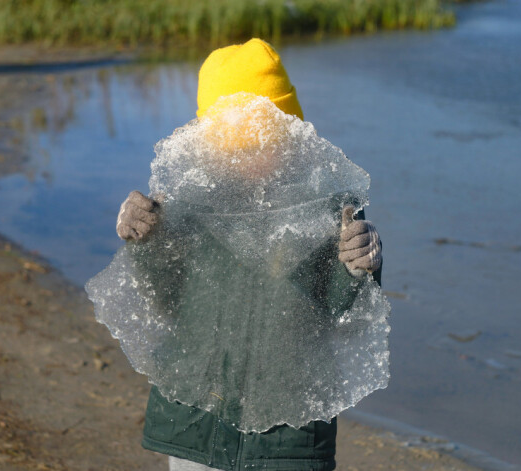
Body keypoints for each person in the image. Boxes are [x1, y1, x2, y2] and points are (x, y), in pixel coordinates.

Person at [115, 39, 382, 471]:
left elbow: (339, 312)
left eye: (264, 137)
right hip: (195, 422)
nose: (250, 155)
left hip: (287, 434)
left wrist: (359, 265)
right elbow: (164, 301)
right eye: (233, 142)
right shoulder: (186, 199)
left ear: (289, 126)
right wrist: (145, 242)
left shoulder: (331, 203)